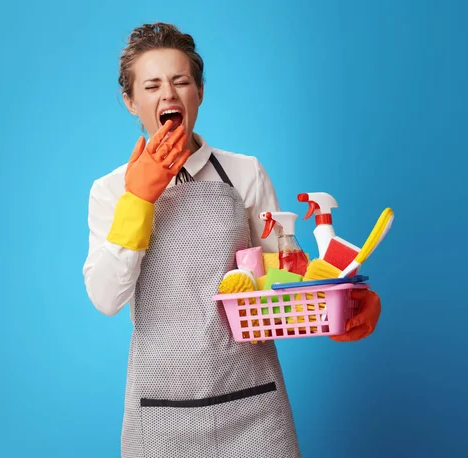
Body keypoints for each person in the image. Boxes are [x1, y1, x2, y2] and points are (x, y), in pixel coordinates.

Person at [82, 22, 382, 458]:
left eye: (181, 81)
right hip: (160, 410)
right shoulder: (110, 190)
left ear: (199, 92)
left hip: (253, 401)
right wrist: (138, 201)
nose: (168, 94)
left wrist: (344, 304)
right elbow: (106, 297)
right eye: (151, 85)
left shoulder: (244, 173)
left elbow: (284, 279)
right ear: (131, 102)